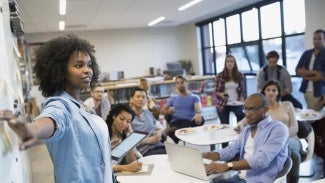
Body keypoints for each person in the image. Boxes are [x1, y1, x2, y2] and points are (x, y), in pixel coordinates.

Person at [0, 35, 116, 183]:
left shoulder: (81, 104)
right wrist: (32, 130)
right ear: (61, 71)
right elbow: (52, 120)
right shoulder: (60, 104)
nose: (87, 70)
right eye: (79, 65)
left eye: (89, 64)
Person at [203, 93, 289, 183]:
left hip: (259, 180)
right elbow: (230, 150)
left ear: (265, 109)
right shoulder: (247, 130)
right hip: (241, 178)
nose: (247, 114)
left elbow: (261, 160)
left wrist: (227, 166)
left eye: (252, 109)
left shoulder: (278, 129)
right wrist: (203, 155)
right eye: (246, 109)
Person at [160, 75, 204, 144]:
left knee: (201, 119)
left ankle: (172, 130)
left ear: (187, 83)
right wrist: (168, 111)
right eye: (178, 83)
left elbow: (198, 109)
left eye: (182, 82)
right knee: (186, 126)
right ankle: (175, 129)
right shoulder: (173, 98)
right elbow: (162, 111)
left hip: (189, 121)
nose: (180, 85)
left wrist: (197, 114)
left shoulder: (194, 97)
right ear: (176, 85)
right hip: (176, 121)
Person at [129, 87, 166, 156]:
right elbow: (128, 142)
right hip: (146, 151)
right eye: (138, 97)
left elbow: (160, 127)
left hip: (160, 146)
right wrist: (150, 140)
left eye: (143, 97)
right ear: (131, 99)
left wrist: (159, 133)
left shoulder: (147, 112)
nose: (141, 99)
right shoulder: (128, 117)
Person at [105, 104, 142, 173]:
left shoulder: (122, 136)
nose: (124, 123)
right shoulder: (103, 134)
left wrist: (131, 135)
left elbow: (132, 161)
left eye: (128, 121)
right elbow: (101, 167)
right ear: (114, 116)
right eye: (122, 119)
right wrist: (125, 167)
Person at [296, 29, 325, 109]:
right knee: (311, 114)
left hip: (319, 92)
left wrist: (306, 73)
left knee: (316, 117)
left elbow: (322, 76)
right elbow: (297, 71)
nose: (316, 41)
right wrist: (316, 73)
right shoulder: (307, 53)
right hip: (306, 90)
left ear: (324, 40)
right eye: (314, 38)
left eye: (319, 38)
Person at [215, 54, 245, 126]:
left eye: (232, 61)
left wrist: (242, 97)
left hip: (236, 102)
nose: (229, 63)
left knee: (241, 119)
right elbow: (217, 91)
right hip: (223, 103)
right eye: (227, 61)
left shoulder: (240, 75)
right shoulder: (220, 76)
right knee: (225, 126)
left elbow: (242, 90)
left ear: (234, 63)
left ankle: (240, 135)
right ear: (225, 63)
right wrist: (222, 95)